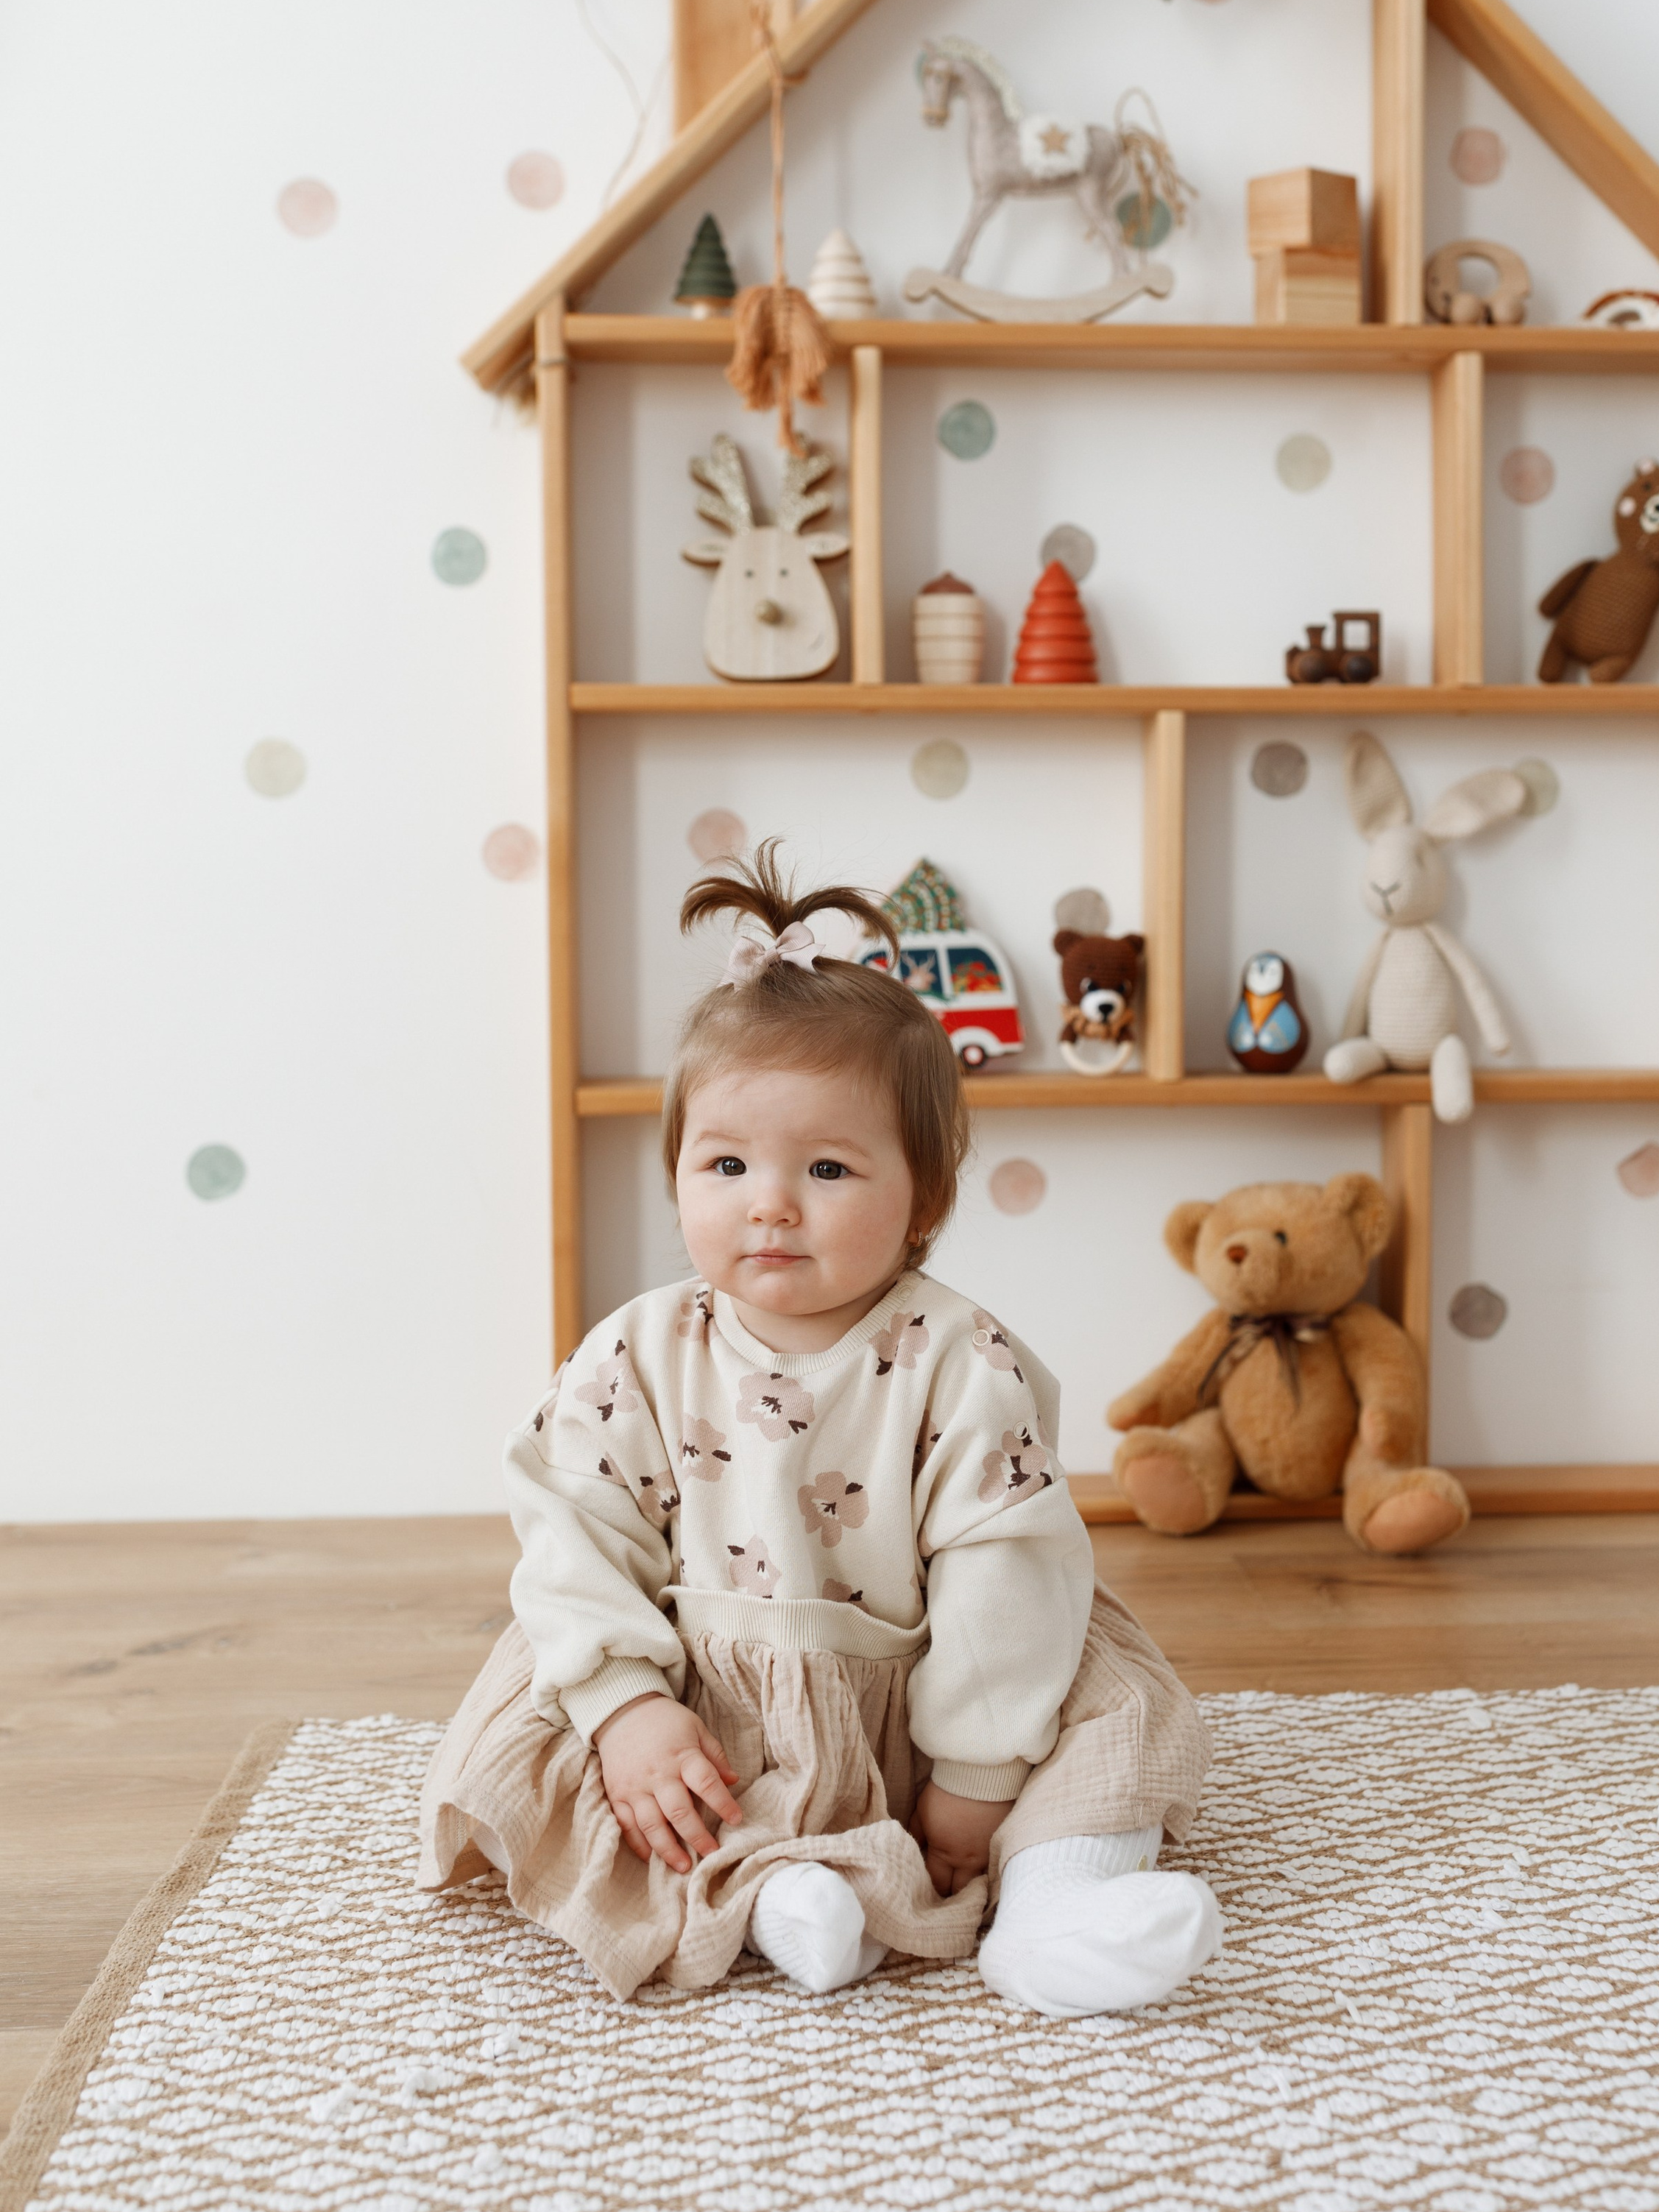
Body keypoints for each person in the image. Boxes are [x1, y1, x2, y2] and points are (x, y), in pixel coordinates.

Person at [420, 847, 1221, 2018]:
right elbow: (574, 1532)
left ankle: (1059, 1901)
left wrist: (978, 1773)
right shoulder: (638, 1351)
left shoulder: (962, 1359)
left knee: (1117, 1709)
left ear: (924, 1200)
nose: (771, 1202)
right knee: (552, 1716)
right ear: (677, 1173)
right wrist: (627, 1706)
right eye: (726, 1163)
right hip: (708, 1706)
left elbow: (1008, 1574)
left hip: (937, 1692)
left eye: (829, 1167)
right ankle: (772, 1891)